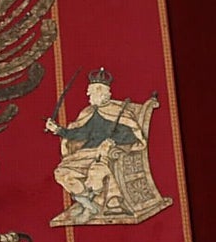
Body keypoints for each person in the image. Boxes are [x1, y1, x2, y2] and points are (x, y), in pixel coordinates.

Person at [45, 67, 145, 223]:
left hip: (106, 153)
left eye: (90, 92)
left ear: (101, 93)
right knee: (62, 173)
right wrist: (58, 130)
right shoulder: (90, 112)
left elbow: (129, 135)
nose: (87, 95)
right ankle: (88, 204)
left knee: (96, 172)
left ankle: (105, 203)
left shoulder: (119, 112)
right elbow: (80, 133)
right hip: (86, 153)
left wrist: (112, 142)